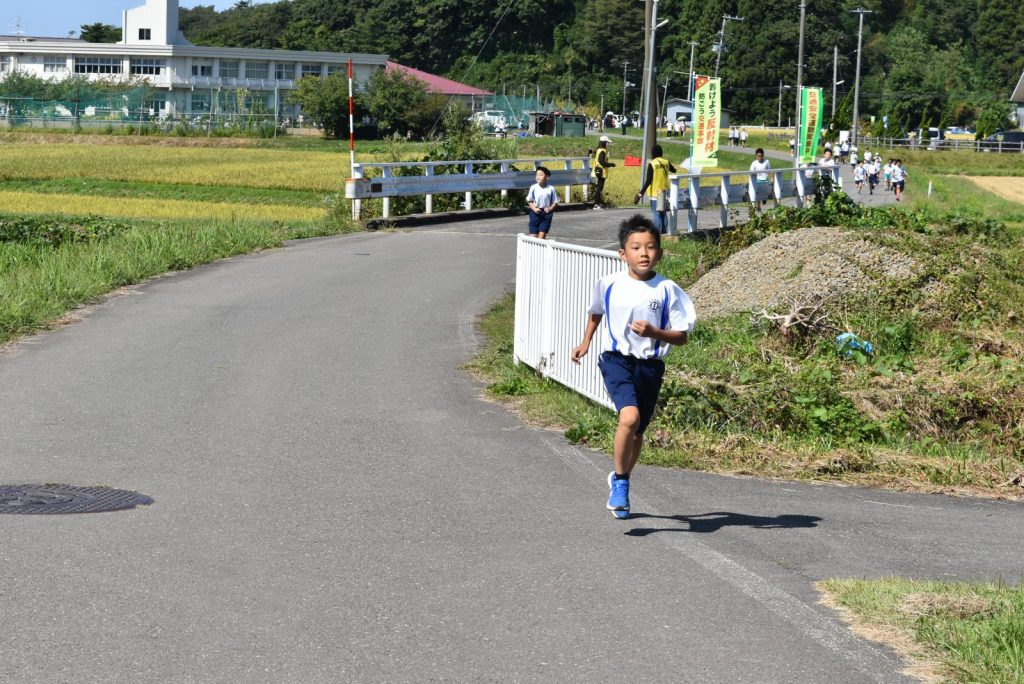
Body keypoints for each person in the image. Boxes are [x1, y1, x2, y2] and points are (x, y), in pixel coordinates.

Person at [571, 215, 697, 519]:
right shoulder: (609, 284)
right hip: (616, 360)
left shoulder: (667, 290)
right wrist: (585, 342)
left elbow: (682, 337)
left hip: (650, 366)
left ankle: (620, 477)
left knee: (638, 432)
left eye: (651, 247)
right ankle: (622, 483)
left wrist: (655, 332)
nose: (644, 253)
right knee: (629, 418)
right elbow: (596, 312)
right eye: (636, 247)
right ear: (622, 253)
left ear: (660, 253)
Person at [634, 144, 676, 234]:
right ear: (661, 152)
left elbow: (649, 180)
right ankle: (664, 233)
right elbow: (674, 170)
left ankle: (656, 234)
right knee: (663, 213)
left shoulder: (652, 164)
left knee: (656, 214)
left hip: (655, 193)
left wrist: (640, 193)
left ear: (653, 153)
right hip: (665, 193)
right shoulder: (666, 162)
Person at [526, 166, 558, 238]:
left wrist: (550, 209)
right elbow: (529, 200)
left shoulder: (551, 188)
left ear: (546, 177)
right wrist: (534, 209)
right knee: (533, 236)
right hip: (535, 213)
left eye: (541, 175)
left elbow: (555, 202)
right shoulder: (533, 187)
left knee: (541, 237)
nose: (538, 177)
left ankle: (541, 248)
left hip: (546, 214)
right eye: (537, 175)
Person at [592, 135, 615, 210]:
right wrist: (610, 164)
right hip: (601, 171)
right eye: (607, 142)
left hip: (598, 170)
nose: (607, 144)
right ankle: (596, 204)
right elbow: (601, 162)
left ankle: (597, 203)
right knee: (599, 188)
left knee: (599, 188)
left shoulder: (599, 149)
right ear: (604, 143)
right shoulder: (602, 151)